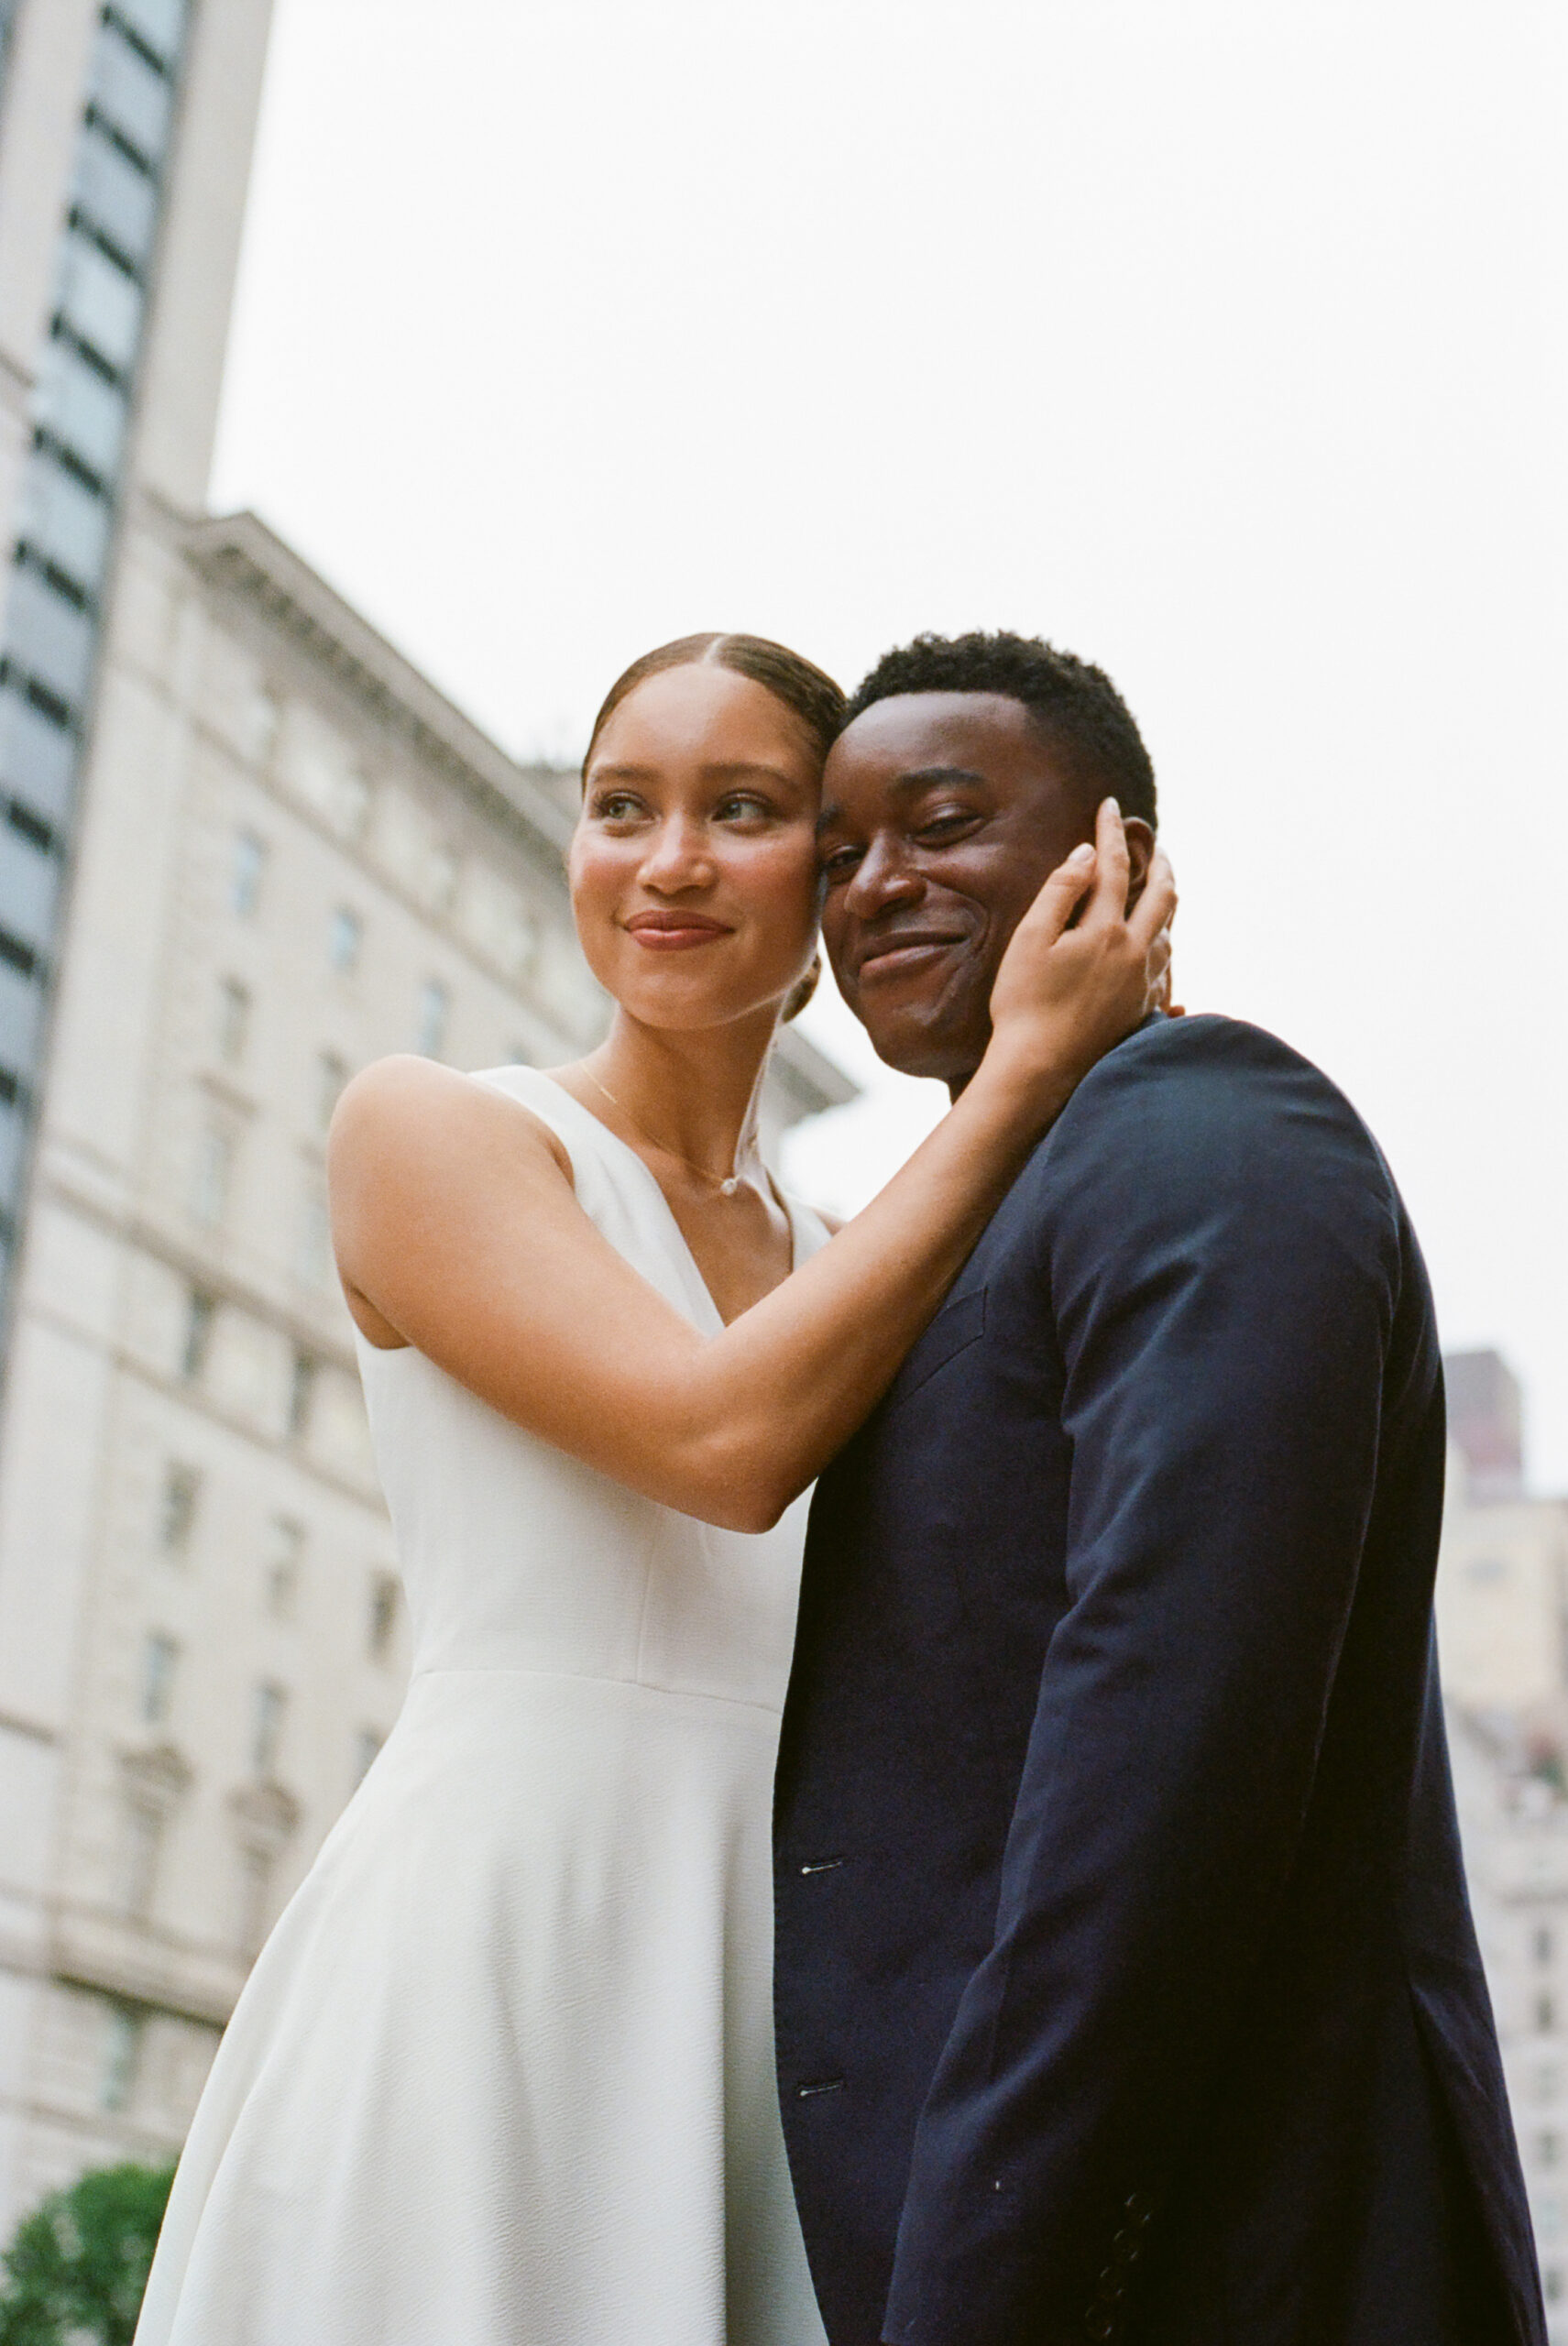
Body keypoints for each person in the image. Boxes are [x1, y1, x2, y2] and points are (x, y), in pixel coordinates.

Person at [133, 631, 1173, 2346]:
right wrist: (1019, 1077)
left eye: (744, 809)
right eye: (623, 805)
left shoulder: (861, 1261)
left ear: (832, 886)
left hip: (777, 1990)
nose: (670, 858)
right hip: (499, 1937)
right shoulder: (436, 1132)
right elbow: (724, 1448)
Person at [773, 629, 1545, 2346]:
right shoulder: (949, 1236)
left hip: (1219, 2256)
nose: (878, 883)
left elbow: (1159, 1771)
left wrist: (982, 2282)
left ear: (1114, 856)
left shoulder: (1207, 1128)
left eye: (944, 822)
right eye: (838, 856)